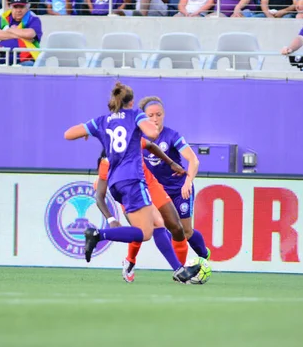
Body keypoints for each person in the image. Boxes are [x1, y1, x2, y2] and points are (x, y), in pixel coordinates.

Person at [63, 82, 201, 284]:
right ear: (132, 102)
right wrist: (144, 122)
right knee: (146, 232)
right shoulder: (135, 115)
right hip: (133, 180)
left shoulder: (101, 121)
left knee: (157, 224)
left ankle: (178, 270)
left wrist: (87, 132)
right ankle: (98, 235)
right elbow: (153, 134)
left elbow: (68, 134)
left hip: (117, 182)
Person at [95, 139, 190, 283]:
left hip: (150, 185)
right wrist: (111, 219)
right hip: (130, 192)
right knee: (144, 228)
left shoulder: (132, 141)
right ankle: (131, 260)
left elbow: (151, 146)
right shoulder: (107, 162)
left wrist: (171, 163)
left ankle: (179, 270)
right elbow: (99, 196)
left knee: (175, 226)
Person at [140, 96, 211, 263]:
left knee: (185, 231)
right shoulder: (138, 138)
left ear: (164, 115)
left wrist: (188, 182)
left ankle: (204, 256)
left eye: (158, 114)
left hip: (179, 189)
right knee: (160, 226)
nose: (155, 119)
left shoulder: (172, 136)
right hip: (157, 192)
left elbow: (193, 160)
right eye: (150, 115)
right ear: (144, 117)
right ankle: (178, 267)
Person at [0, 0, 42, 66]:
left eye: (21, 7)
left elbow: (30, 34)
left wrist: (9, 30)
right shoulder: (4, 18)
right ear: (11, 7)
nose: (18, 10)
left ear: (27, 7)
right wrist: (22, 36)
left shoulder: (33, 19)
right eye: (15, 7)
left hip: (24, 60)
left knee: (29, 66)